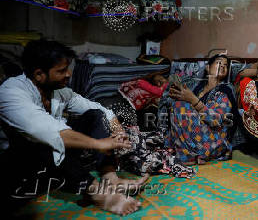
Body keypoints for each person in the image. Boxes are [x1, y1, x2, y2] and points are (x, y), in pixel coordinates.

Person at [0, 39, 148, 216]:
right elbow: (45, 131)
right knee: (46, 142)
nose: (69, 74)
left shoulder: (59, 91)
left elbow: (101, 110)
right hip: (21, 163)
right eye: (61, 71)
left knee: (96, 116)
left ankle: (111, 179)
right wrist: (98, 143)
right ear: (39, 74)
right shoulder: (11, 91)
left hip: (54, 162)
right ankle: (99, 194)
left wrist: (117, 129)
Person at [166, 54, 240, 165]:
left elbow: (215, 120)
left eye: (226, 65)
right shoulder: (198, 88)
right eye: (219, 62)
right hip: (195, 137)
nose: (223, 66)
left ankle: (187, 156)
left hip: (214, 140)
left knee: (180, 106)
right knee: (177, 105)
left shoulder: (225, 90)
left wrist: (192, 100)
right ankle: (184, 153)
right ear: (207, 67)